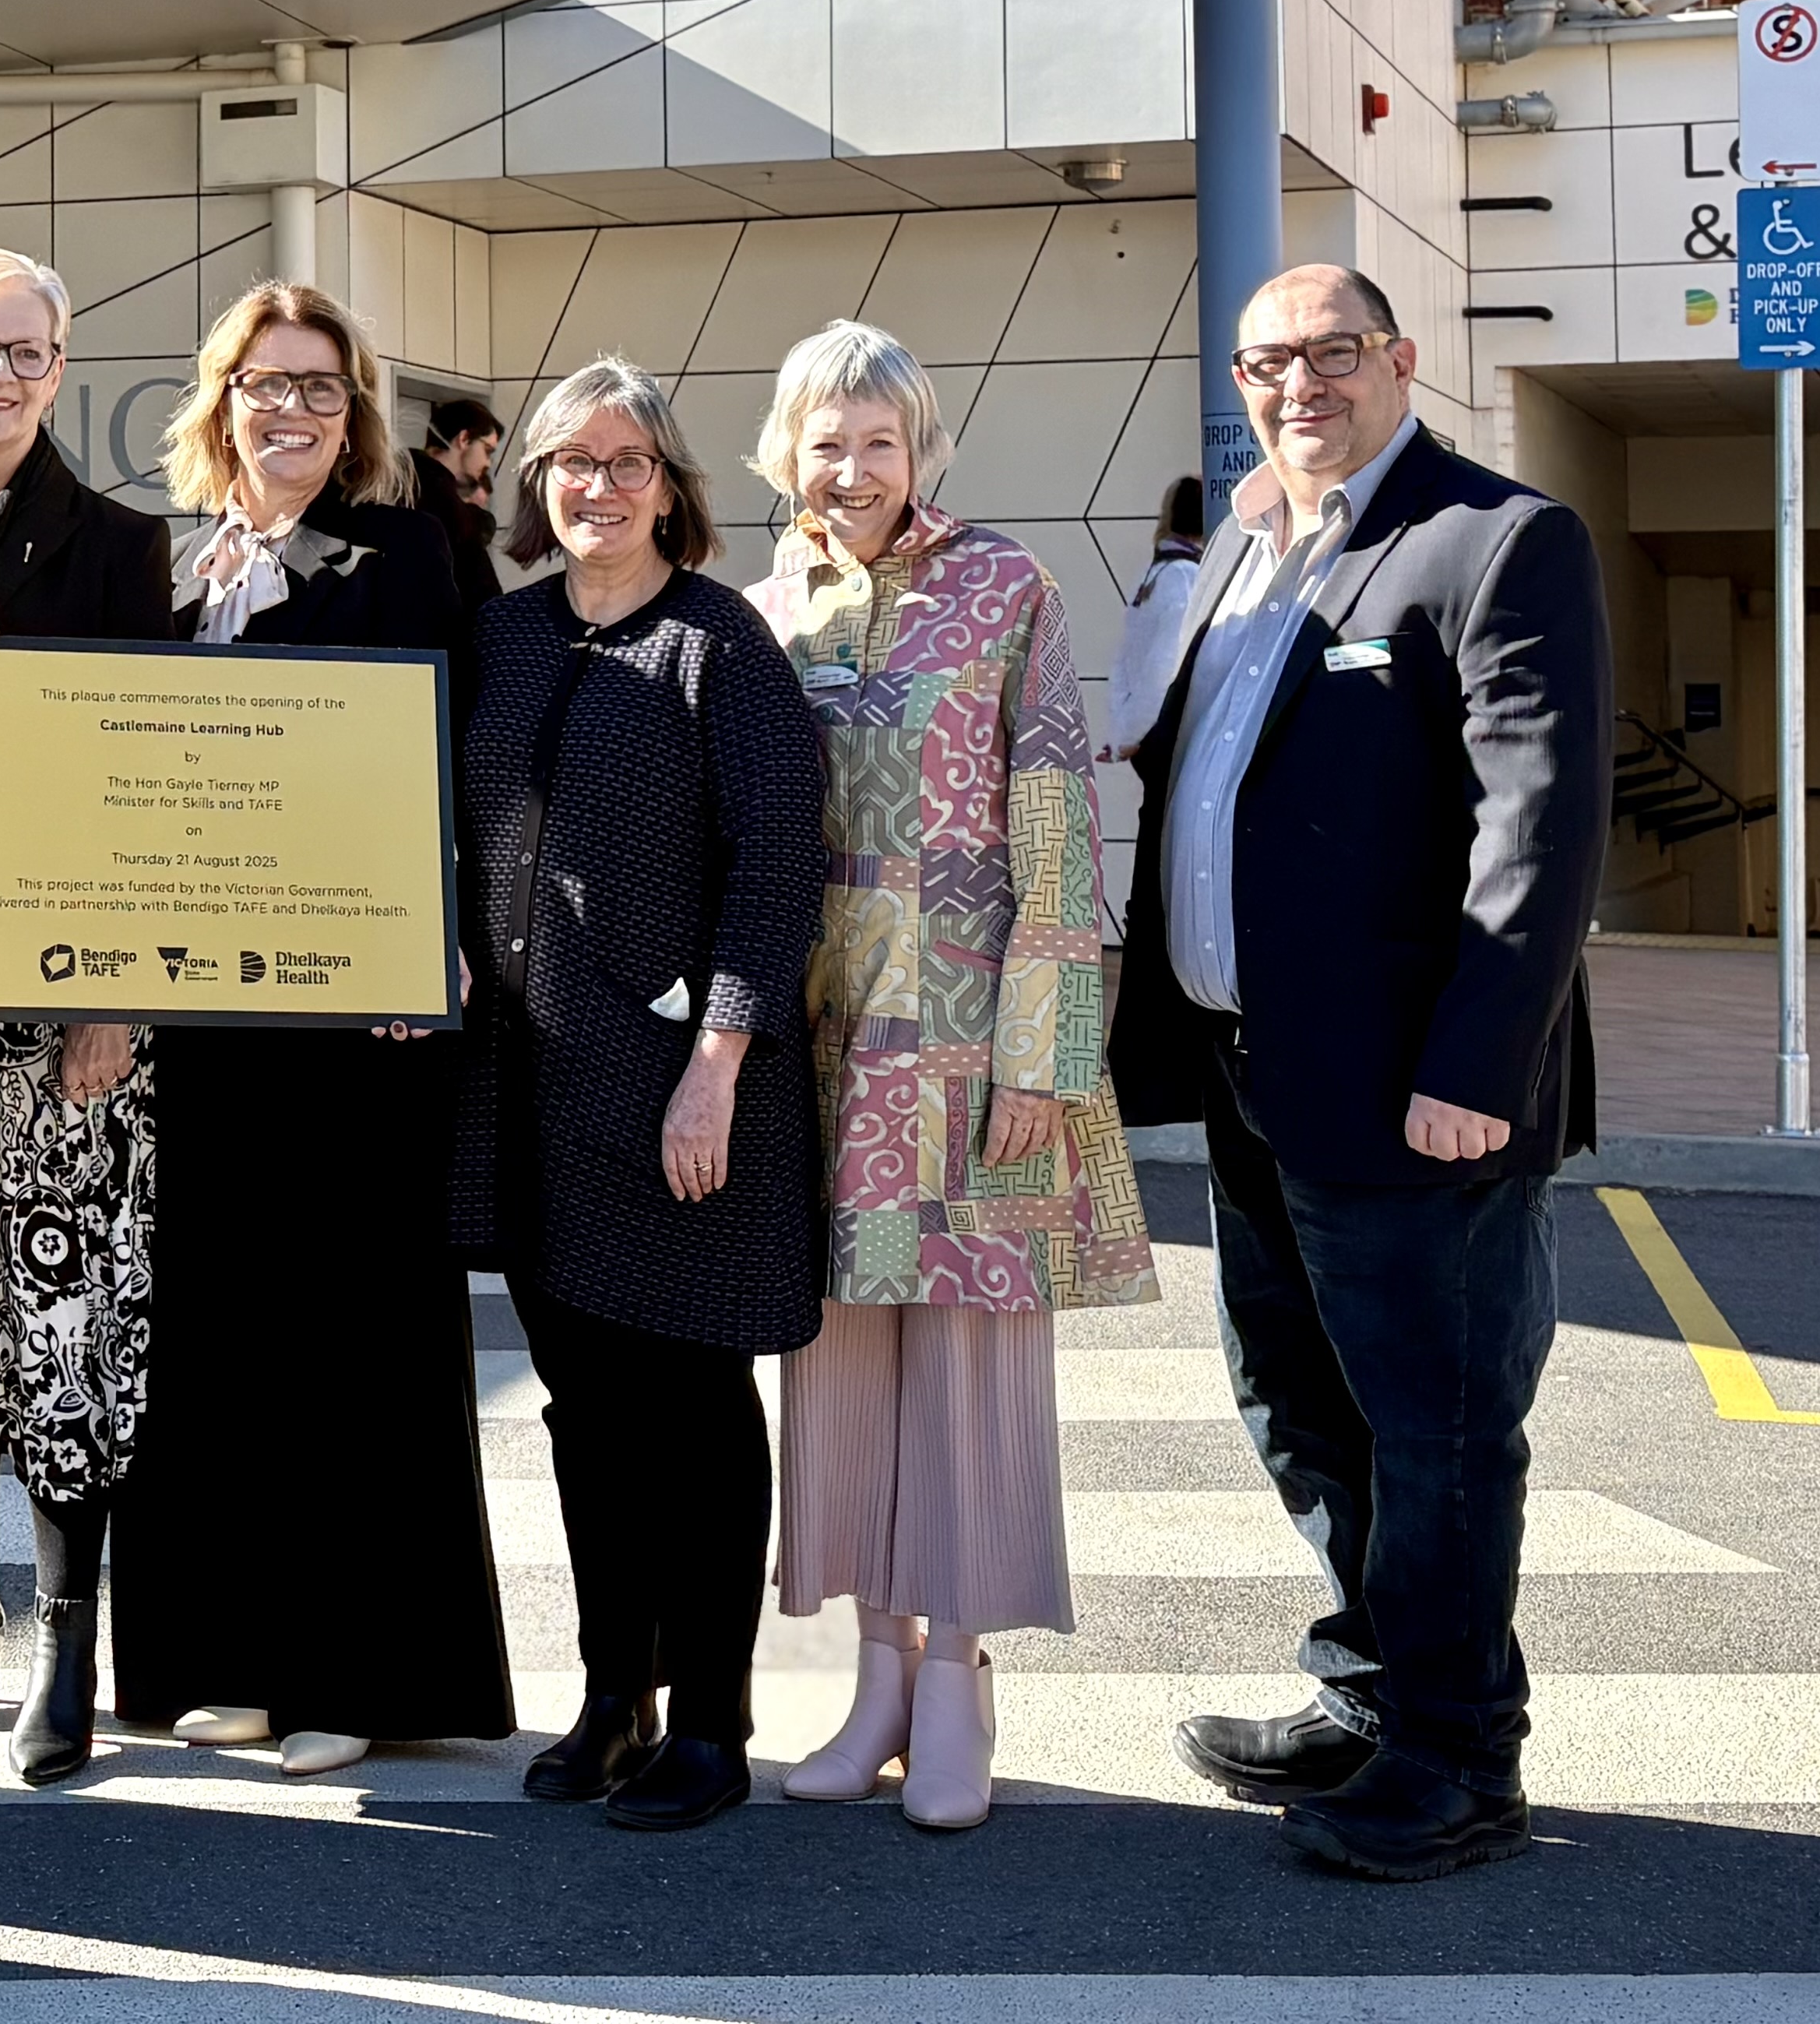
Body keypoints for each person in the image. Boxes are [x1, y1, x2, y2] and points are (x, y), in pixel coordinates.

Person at [1114, 263, 1608, 1883]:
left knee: (1439, 1428)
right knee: (1301, 1410)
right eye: (1267, 360)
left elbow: (1539, 826)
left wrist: (1481, 1059)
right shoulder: (1251, 552)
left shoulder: (1493, 539)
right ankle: (1375, 1691)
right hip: (1256, 1076)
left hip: (1417, 1091)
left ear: (1399, 359)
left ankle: (1459, 1758)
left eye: (1332, 352)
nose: (1297, 383)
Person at [744, 322, 1156, 1834]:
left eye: (877, 442)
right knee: (840, 1376)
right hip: (828, 1051)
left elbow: (1057, 817)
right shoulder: (764, 608)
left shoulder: (1006, 588)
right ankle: (875, 1680)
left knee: (971, 1381)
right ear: (783, 452)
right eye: (822, 441)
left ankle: (962, 1684)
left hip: (978, 1037)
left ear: (922, 451)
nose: (848, 470)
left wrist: (1047, 1058)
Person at [108, 280, 512, 1779]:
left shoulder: (409, 548)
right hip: (209, 1023)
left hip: (362, 1021)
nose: (290, 410)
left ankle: (362, 1671)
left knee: (361, 1336)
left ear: (356, 415)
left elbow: (467, 761)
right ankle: (238, 1659)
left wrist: (444, 942)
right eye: (265, 384)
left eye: (320, 388)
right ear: (219, 399)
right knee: (224, 1330)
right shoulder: (173, 569)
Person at [450, 357, 828, 1833]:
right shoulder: (503, 634)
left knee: (691, 1414)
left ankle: (716, 1723)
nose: (593, 487)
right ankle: (617, 1698)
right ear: (533, 486)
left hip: (680, 1095)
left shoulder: (715, 646)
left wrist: (717, 1065)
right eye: (566, 463)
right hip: (531, 1096)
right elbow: (450, 824)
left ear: (671, 484)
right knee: (583, 1410)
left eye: (624, 462)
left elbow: (775, 864)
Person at [0, 247, 175, 1783]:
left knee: (65, 1324)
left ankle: (69, 1636)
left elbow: (146, 784)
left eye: (22, 354)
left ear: (59, 372)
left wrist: (115, 994)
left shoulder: (123, 551)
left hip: (73, 1010)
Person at [1100, 473, 1211, 762]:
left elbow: (1124, 662)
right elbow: (1164, 666)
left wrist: (1122, 731)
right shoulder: (1185, 576)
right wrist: (1131, 736)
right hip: (1166, 738)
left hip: (1147, 734)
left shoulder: (1156, 573)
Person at [414, 394, 506, 614]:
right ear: (464, 439)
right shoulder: (434, 494)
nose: (488, 462)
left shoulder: (423, 484)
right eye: (487, 450)